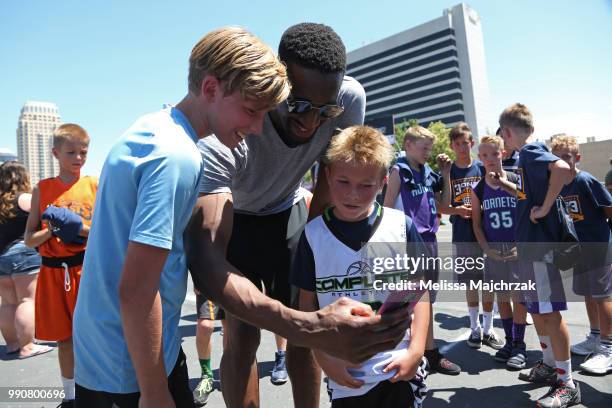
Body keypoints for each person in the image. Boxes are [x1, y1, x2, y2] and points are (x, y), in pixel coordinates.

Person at [189, 23, 411, 408]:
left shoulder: (349, 99)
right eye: (299, 105)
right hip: (235, 214)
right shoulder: (227, 132)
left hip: (290, 210)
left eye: (324, 111)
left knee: (305, 337)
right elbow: (209, 252)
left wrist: (315, 258)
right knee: (242, 335)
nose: (310, 123)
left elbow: (329, 178)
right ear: (276, 82)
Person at [72, 27, 290, 407]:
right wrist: (155, 392)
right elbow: (138, 289)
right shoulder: (178, 157)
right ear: (210, 89)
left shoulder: (152, 129)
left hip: (115, 354)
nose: (256, 128)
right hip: (130, 372)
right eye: (251, 110)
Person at [293, 125, 430, 407]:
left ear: (382, 182)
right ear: (328, 176)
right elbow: (307, 307)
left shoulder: (401, 227)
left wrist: (416, 350)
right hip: (346, 372)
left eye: (365, 185)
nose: (353, 194)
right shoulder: (313, 235)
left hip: (397, 365)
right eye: (343, 181)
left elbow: (419, 291)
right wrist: (324, 358)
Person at [499, 103, 580, 408]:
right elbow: (526, 194)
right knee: (537, 309)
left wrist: (545, 208)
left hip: (541, 250)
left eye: (503, 136)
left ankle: (567, 383)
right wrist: (505, 184)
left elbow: (562, 169)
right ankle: (549, 365)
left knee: (549, 313)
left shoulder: (532, 152)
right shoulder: (525, 157)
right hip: (530, 248)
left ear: (507, 132)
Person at [24, 124, 97, 408]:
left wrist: (78, 228)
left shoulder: (94, 185)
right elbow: (30, 239)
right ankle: (71, 396)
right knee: (64, 340)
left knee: (94, 337)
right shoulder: (42, 189)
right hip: (54, 272)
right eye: (71, 152)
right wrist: (51, 232)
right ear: (56, 153)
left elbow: (104, 231)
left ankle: (99, 392)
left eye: (83, 152)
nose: (78, 158)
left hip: (86, 270)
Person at [383, 125, 460, 375]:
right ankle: (410, 353)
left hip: (430, 240)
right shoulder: (398, 170)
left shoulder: (428, 172)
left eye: (430, 147)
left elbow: (445, 205)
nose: (428, 151)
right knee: (408, 300)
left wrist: (446, 174)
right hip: (407, 242)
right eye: (423, 147)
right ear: (407, 145)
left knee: (426, 301)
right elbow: (386, 207)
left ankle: (430, 353)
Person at [550, 134, 612, 375]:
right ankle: (595, 337)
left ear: (577, 157)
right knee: (588, 294)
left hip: (598, 248)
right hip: (579, 250)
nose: (563, 162)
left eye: (567, 157)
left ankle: (608, 348)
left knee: (602, 296)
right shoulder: (557, 184)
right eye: (558, 158)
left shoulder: (585, 180)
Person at [442, 123, 503, 350]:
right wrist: (457, 210)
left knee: (489, 282)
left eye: (465, 143)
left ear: (471, 143)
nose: (461, 147)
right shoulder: (449, 171)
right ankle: (475, 328)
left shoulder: (481, 167)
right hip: (463, 234)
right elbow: (443, 207)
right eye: (457, 144)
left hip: (487, 233)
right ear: (452, 146)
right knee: (471, 283)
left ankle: (488, 328)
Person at [470, 136, 529, 369]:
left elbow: (526, 203)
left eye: (494, 154)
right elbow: (476, 224)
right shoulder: (479, 188)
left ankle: (520, 344)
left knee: (519, 297)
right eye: (484, 156)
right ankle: (510, 342)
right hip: (494, 252)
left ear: (503, 154)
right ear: (480, 158)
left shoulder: (516, 179)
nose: (489, 159)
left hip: (518, 250)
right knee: (503, 297)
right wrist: (486, 250)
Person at [0, 161, 51, 359]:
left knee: (7, 303)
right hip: (23, 253)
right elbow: (47, 217)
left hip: (1, 256)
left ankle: (12, 344)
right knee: (27, 300)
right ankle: (28, 346)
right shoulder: (26, 199)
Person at [193, 290, 227, 406]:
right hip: (208, 276)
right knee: (205, 326)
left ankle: (229, 372)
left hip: (235, 275)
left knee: (229, 326)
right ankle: (206, 375)